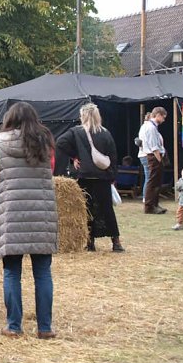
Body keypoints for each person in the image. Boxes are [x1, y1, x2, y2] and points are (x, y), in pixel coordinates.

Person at [0, 102, 58, 339]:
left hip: (11, 212)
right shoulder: (46, 142)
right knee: (42, 273)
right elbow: (51, 169)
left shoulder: (1, 143)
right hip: (41, 213)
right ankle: (45, 328)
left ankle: (14, 326)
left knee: (11, 273)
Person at [56, 103, 124, 252]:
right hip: (102, 176)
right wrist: (112, 175)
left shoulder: (75, 132)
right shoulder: (105, 133)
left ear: (83, 116)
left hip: (84, 175)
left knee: (87, 208)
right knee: (107, 209)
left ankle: (90, 241)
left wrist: (74, 156)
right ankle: (116, 242)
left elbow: (60, 143)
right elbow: (112, 155)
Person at [141, 107, 168, 214]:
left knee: (156, 182)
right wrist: (159, 160)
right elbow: (154, 146)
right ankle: (149, 206)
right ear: (158, 115)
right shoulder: (151, 128)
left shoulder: (147, 126)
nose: (163, 120)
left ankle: (154, 204)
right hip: (153, 156)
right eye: (163, 117)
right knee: (153, 182)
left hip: (152, 155)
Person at [135, 112, 151, 203]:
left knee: (148, 177)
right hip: (146, 154)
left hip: (143, 154)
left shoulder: (143, 127)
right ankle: (146, 197)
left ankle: (146, 197)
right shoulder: (148, 127)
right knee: (149, 178)